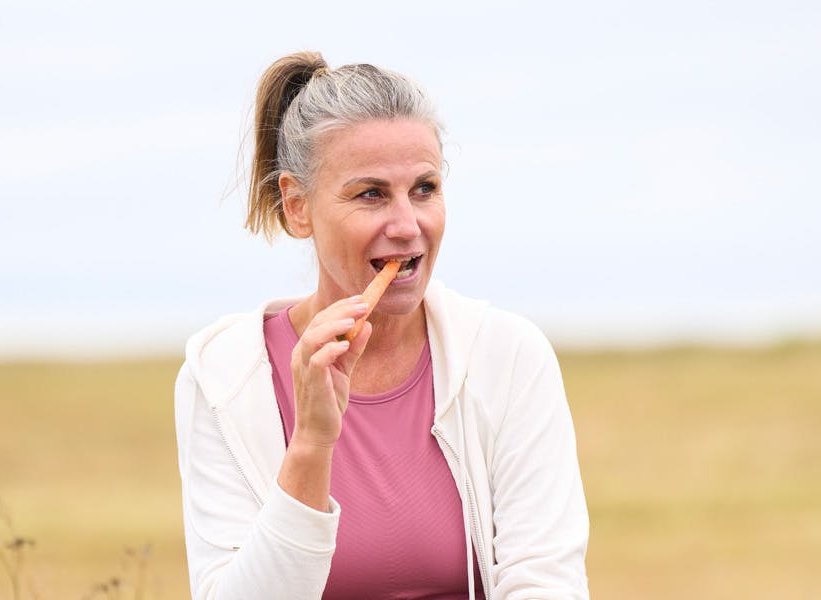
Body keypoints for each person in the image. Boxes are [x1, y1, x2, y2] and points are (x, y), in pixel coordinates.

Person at [174, 51, 590, 599]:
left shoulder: (507, 356)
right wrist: (312, 444)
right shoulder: (224, 376)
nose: (407, 225)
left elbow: (546, 582)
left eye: (425, 189)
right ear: (297, 206)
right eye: (371, 194)